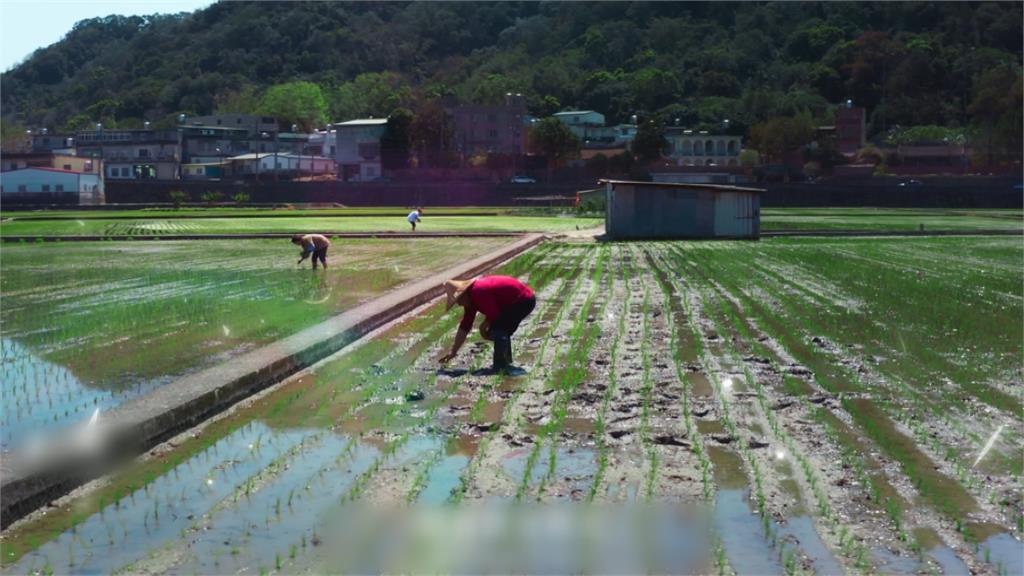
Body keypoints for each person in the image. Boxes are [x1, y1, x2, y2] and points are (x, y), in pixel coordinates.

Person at [438, 275, 536, 371]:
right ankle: (505, 362)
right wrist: (453, 351)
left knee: (498, 329)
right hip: (517, 301)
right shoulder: (470, 300)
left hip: (523, 300)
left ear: (464, 293)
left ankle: (500, 366)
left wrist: (482, 328)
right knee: (500, 328)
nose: (459, 304)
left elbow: (494, 314)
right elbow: (465, 326)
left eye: (458, 300)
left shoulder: (478, 291)